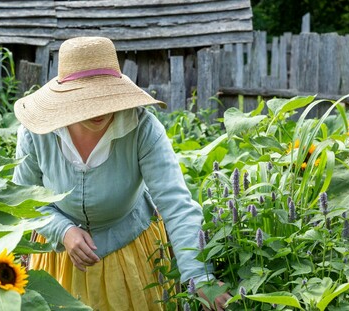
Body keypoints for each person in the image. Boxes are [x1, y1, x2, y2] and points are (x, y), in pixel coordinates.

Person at [12, 36, 230, 311]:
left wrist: (200, 276)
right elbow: (23, 201)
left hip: (131, 255)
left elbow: (176, 204)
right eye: (86, 100)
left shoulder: (141, 129)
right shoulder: (37, 134)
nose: (99, 110)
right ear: (67, 98)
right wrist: (62, 230)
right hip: (61, 259)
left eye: (105, 98)